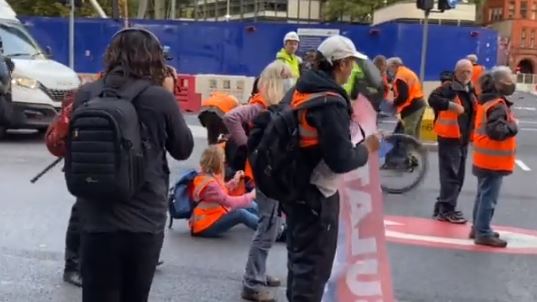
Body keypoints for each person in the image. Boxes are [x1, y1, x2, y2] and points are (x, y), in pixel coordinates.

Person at [73, 28, 193, 302]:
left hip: (95, 217)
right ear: (153, 58)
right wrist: (169, 96)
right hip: (144, 219)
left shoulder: (87, 94)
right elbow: (183, 148)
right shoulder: (158, 97)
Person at [284, 35, 380, 302]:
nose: (352, 69)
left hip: (295, 188)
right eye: (350, 63)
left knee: (298, 262)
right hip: (318, 194)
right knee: (313, 269)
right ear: (341, 64)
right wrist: (367, 148)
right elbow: (341, 159)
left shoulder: (300, 90)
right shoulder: (330, 102)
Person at [223, 61, 293, 302]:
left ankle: (258, 274)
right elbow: (231, 117)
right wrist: (248, 147)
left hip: (265, 171)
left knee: (270, 226)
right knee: (267, 227)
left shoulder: (266, 104)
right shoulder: (261, 105)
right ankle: (252, 281)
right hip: (265, 173)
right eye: (287, 79)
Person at [471, 67, 518, 248]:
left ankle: (477, 227)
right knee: (489, 197)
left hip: (484, 158)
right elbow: (497, 132)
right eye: (508, 79)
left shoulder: (487, 102)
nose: (511, 82)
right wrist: (514, 126)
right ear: (499, 84)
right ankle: (483, 232)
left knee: (482, 195)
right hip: (493, 161)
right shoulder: (497, 105)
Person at [429, 59, 476, 223]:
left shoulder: (470, 89)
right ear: (456, 73)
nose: (466, 74)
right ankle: (447, 210)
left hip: (462, 139)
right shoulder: (449, 88)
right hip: (450, 138)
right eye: (463, 71)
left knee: (458, 176)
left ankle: (443, 207)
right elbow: (432, 99)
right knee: (451, 175)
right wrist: (450, 105)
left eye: (469, 71)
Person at [189, 145, 258, 237]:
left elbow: (220, 192)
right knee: (241, 214)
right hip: (205, 225)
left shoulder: (205, 176)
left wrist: (234, 182)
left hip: (208, 218)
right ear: (217, 162)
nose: (224, 163)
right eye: (223, 160)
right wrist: (251, 195)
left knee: (250, 205)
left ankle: (270, 223)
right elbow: (228, 202)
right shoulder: (210, 184)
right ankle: (271, 231)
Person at [386, 57, 426, 138]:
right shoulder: (406, 72)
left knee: (408, 135)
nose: (388, 71)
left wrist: (394, 103)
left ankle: (409, 150)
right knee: (415, 135)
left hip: (412, 107)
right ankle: (415, 150)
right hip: (419, 104)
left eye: (388, 68)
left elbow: (403, 96)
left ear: (394, 66)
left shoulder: (400, 76)